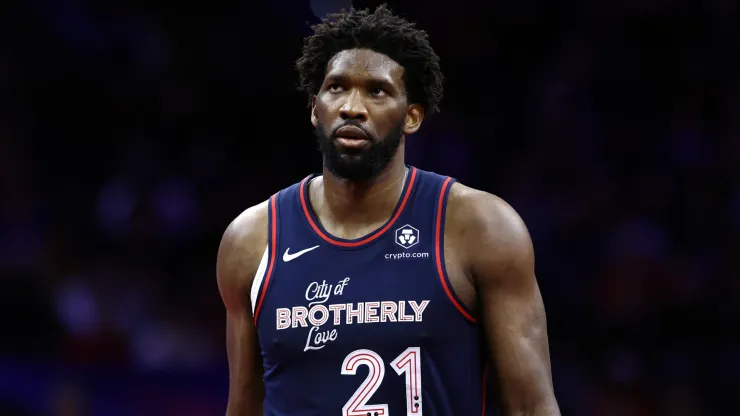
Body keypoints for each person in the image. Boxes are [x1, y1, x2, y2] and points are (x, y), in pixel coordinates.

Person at [216, 5, 560, 415]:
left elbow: (531, 406)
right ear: (314, 108)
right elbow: (243, 408)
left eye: (376, 91)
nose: (352, 107)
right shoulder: (252, 240)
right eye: (336, 88)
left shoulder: (479, 227)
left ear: (411, 116)